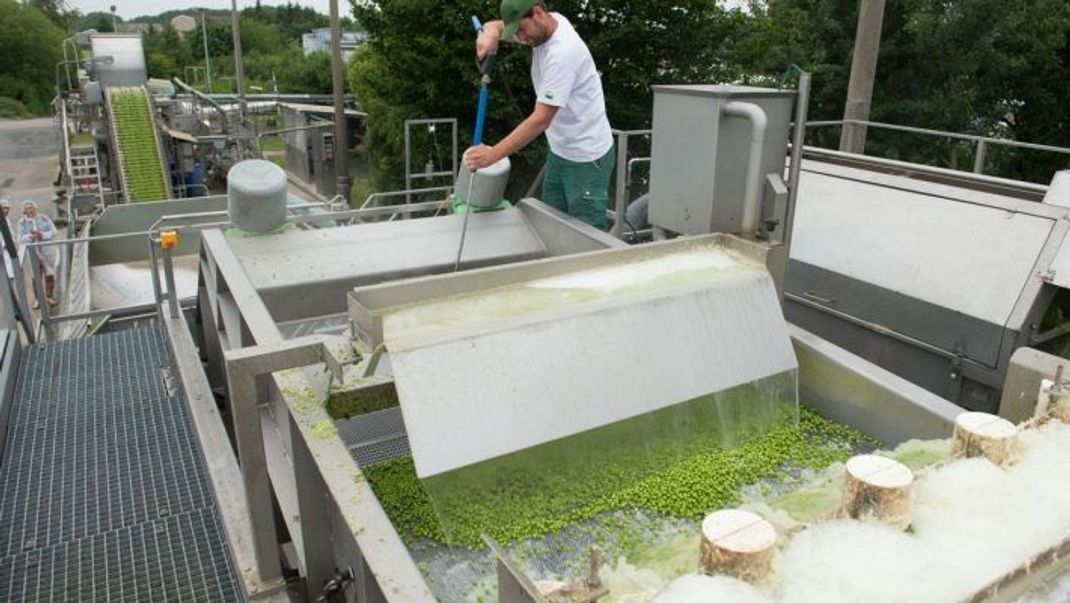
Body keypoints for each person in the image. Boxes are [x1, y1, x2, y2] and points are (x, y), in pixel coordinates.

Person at [465, 0, 615, 230]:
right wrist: (491, 32)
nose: (522, 39)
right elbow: (498, 26)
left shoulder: (563, 52)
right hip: (560, 150)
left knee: (588, 235)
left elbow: (540, 120)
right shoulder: (546, 22)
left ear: (537, 13)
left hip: (587, 157)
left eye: (522, 31)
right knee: (552, 223)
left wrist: (491, 156)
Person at [17, 200, 58, 308]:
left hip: (47, 250)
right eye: (27, 209)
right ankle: (38, 300)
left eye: (31, 208)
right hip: (33, 252)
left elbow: (54, 232)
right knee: (36, 276)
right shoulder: (22, 222)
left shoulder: (44, 218)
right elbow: (20, 238)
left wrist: (42, 234)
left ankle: (50, 297)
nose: (30, 210)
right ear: (24, 211)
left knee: (49, 274)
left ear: (35, 208)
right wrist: (30, 236)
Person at [0, 198, 13, 280]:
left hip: (7, 247)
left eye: (7, 208)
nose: (6, 210)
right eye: (3, 208)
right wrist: (5, 244)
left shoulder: (7, 219)